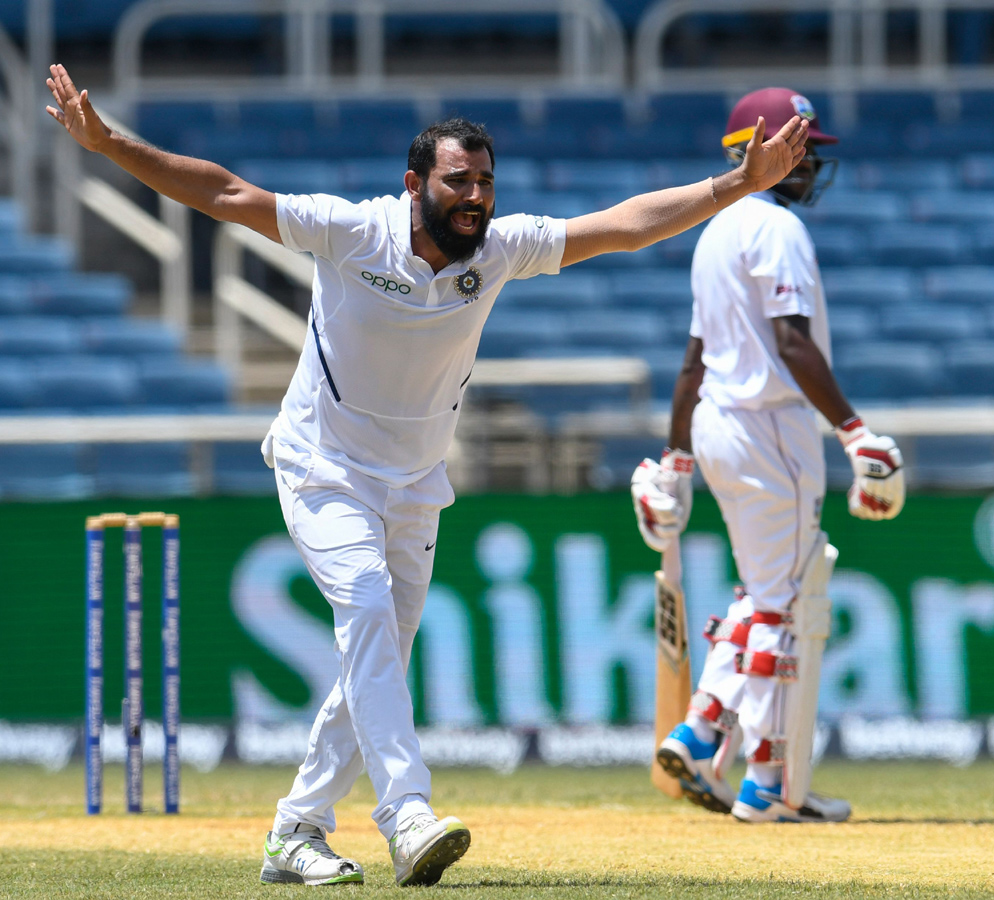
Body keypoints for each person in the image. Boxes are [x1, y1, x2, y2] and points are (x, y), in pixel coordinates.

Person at [46, 64, 808, 882]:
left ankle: (296, 830)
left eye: (485, 179)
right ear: (415, 184)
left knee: (375, 655)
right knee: (367, 609)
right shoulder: (351, 231)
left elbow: (623, 226)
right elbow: (227, 194)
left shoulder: (502, 249)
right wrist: (106, 143)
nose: (475, 194)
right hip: (322, 466)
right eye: (458, 180)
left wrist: (737, 184)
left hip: (415, 483)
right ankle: (406, 814)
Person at [630, 87, 905, 824]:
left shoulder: (715, 230)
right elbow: (791, 342)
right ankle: (768, 785)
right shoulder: (776, 229)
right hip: (769, 428)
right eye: (802, 147)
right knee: (788, 603)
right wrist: (855, 432)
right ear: (759, 148)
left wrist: (676, 459)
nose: (812, 163)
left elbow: (692, 361)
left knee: (761, 595)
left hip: (720, 424)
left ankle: (699, 732)